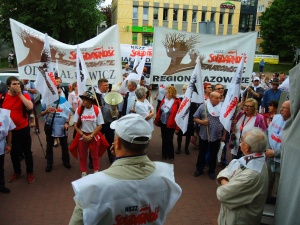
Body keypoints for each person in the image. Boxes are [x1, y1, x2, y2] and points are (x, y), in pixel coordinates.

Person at [69, 114, 182, 225]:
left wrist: (117, 159)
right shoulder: (165, 174)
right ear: (147, 143)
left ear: (117, 143)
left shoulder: (92, 187)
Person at [216, 128, 269, 225]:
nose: (240, 144)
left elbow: (222, 194)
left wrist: (223, 180)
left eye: (242, 141)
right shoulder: (254, 159)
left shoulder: (251, 175)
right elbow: (228, 168)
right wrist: (228, 182)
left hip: (237, 220)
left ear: (247, 147)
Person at [2, 76, 35, 184]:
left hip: (23, 128)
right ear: (8, 86)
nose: (17, 86)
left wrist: (20, 94)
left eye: (18, 83)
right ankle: (17, 171)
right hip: (10, 131)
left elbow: (30, 106)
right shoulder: (3, 97)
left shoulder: (24, 95)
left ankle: (30, 172)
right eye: (14, 84)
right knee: (14, 153)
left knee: (27, 151)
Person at [72, 91, 106, 177]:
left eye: (85, 100)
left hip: (93, 135)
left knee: (95, 155)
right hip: (82, 136)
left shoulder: (97, 109)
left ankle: (96, 171)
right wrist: (83, 135)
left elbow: (100, 125)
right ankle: (83, 171)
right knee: (83, 155)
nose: (82, 101)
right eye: (82, 99)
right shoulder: (79, 110)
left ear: (91, 101)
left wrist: (91, 136)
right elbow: (76, 126)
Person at [193, 92, 226, 180]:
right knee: (202, 153)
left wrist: (224, 135)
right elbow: (195, 118)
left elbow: (226, 122)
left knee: (213, 154)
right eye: (216, 98)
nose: (219, 100)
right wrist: (202, 122)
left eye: (220, 98)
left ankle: (211, 170)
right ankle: (199, 169)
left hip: (216, 136)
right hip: (204, 135)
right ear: (211, 98)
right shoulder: (203, 107)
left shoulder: (222, 108)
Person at [41, 85, 72, 172]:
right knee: (49, 146)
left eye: (59, 92)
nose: (58, 94)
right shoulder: (45, 101)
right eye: (55, 92)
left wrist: (66, 122)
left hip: (62, 127)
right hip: (50, 127)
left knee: (64, 145)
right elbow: (41, 114)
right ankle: (49, 163)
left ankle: (66, 161)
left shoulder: (64, 100)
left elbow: (68, 113)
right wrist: (46, 111)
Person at [265, 100, 291, 202]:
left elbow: (291, 147)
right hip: (270, 158)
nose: (281, 109)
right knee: (267, 182)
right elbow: (268, 132)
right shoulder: (276, 118)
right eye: (281, 107)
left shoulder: (294, 125)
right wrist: (267, 148)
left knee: (278, 186)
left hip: (282, 162)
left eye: (284, 108)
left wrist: (275, 153)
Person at [155, 86, 181, 161]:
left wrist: (177, 128)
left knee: (169, 140)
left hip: (171, 124)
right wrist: (157, 120)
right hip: (163, 123)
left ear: (171, 93)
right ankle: (164, 154)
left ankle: (171, 155)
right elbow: (160, 110)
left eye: (167, 92)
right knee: (164, 139)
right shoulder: (164, 100)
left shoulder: (177, 102)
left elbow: (179, 116)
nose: (165, 94)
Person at [95, 78, 115, 164]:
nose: (108, 86)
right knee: (95, 142)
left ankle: (111, 159)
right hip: (98, 124)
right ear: (100, 86)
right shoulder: (94, 95)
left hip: (109, 122)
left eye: (108, 85)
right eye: (106, 85)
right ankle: (92, 160)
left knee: (110, 142)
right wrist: (95, 108)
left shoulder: (110, 95)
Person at [0, 108, 15, 193]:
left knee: (0, 167)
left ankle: (1, 186)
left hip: (0, 145)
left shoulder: (5, 114)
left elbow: (9, 130)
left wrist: (9, 144)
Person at [175, 84, 193, 155]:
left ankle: (186, 148)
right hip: (181, 118)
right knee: (179, 134)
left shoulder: (192, 99)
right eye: (184, 89)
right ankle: (178, 148)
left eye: (187, 89)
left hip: (189, 118)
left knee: (188, 135)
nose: (185, 90)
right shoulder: (180, 98)